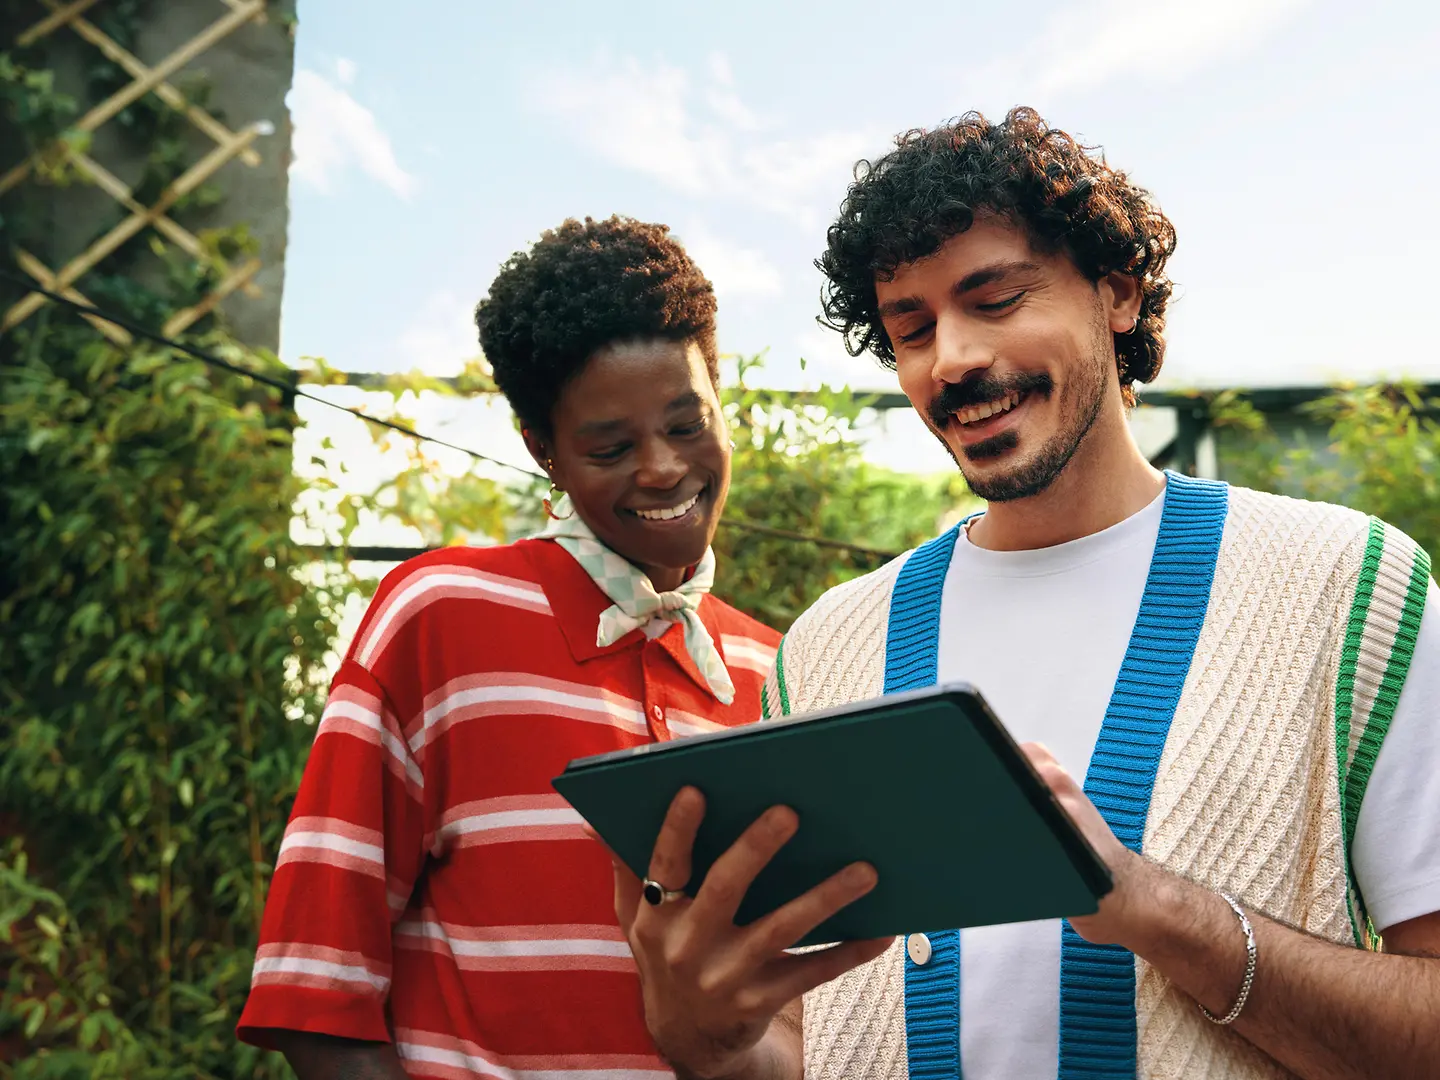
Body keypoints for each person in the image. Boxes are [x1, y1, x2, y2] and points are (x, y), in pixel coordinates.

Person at [607, 109, 1440, 1079]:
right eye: (909, 329)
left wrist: (1159, 910)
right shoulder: (832, 645)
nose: (949, 359)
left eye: (994, 299)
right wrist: (710, 1039)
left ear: (1117, 294)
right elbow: (824, 1044)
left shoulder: (1347, 589)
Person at [236, 216, 781, 1078]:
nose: (663, 468)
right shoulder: (441, 617)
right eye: (610, 446)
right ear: (544, 453)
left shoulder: (771, 670)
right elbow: (319, 988)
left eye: (687, 423)